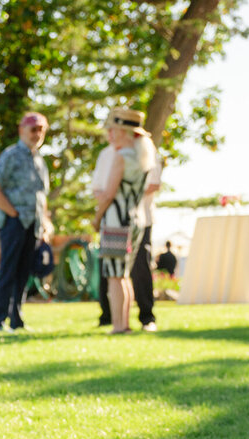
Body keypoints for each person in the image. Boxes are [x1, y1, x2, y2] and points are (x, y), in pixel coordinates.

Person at [0, 112, 53, 332]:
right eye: (33, 129)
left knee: (24, 273)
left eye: (41, 130)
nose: (37, 134)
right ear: (21, 130)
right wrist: (13, 213)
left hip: (33, 225)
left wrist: (44, 223)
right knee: (8, 271)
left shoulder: (40, 160)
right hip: (13, 223)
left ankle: (17, 320)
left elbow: (42, 196)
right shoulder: (11, 155)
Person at [93, 107, 156, 335]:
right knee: (124, 275)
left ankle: (119, 326)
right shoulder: (143, 159)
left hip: (116, 220)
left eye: (113, 129)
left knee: (114, 275)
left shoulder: (121, 157)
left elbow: (108, 194)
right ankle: (124, 323)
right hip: (135, 219)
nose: (110, 134)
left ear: (123, 132)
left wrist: (96, 218)